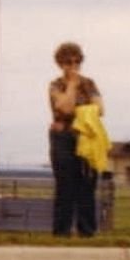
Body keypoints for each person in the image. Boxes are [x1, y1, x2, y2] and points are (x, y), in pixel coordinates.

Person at [47, 41, 102, 237]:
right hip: (63, 138)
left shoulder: (90, 84)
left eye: (77, 62)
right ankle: (61, 231)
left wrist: (79, 113)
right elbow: (64, 107)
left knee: (87, 184)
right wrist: (71, 85)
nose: (73, 66)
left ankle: (87, 230)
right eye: (68, 62)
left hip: (86, 137)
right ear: (61, 64)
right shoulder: (55, 85)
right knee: (65, 185)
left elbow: (100, 108)